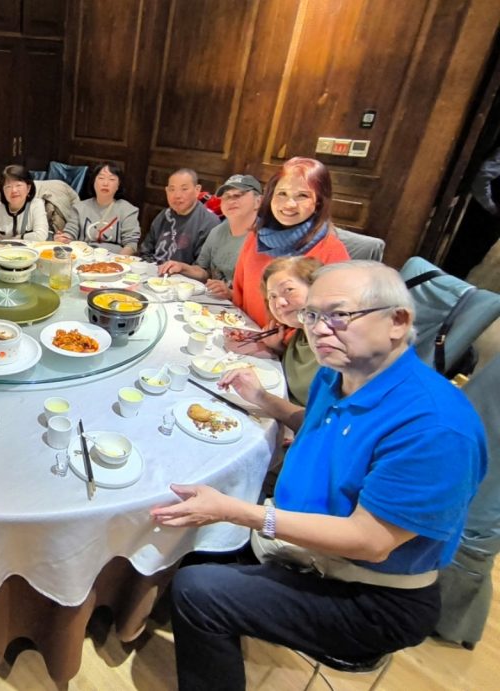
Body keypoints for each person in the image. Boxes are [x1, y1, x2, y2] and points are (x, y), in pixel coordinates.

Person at [151, 261, 487, 691]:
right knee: (198, 550)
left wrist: (240, 513)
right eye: (312, 315)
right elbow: (319, 423)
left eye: (340, 315)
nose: (319, 329)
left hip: (373, 593)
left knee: (197, 590)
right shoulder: (341, 374)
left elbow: (371, 541)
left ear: (397, 322)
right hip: (305, 548)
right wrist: (262, 398)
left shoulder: (436, 428)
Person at [232, 157, 350, 325]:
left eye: (302, 195)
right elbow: (239, 288)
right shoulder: (256, 234)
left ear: (318, 202)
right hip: (245, 333)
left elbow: (331, 319)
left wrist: (282, 343)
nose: (289, 204)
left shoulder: (332, 251)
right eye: (282, 193)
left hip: (289, 348)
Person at [224, 256, 322, 406]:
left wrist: (261, 396)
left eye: (289, 290)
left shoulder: (332, 346)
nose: (279, 303)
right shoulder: (301, 331)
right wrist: (279, 348)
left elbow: (322, 422)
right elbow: (294, 371)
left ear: (316, 286)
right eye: (272, 296)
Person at [158, 174, 261, 300]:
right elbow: (203, 271)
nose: (231, 201)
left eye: (238, 195)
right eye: (226, 196)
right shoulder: (217, 231)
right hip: (215, 305)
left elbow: (267, 298)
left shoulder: (266, 241)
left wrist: (231, 294)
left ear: (258, 201)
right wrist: (181, 267)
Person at [55, 161, 141, 255]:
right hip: (84, 257)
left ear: (118, 185)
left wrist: (117, 262)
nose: (105, 183)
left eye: (111, 179)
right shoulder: (79, 208)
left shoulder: (128, 210)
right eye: (101, 178)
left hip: (114, 260)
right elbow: (70, 233)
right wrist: (63, 238)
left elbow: (131, 244)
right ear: (93, 182)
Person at [139, 168, 220, 264]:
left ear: (197, 190)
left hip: (184, 277)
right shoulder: (165, 214)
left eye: (184, 189)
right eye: (172, 189)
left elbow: (202, 269)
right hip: (154, 272)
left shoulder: (209, 222)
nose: (177, 195)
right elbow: (145, 251)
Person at [0, 164, 49, 242]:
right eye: (8, 187)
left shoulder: (36, 205)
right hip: (2, 252)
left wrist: (12, 240)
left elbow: (40, 235)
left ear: (28, 188)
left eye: (18, 185)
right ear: (2, 191)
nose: (14, 190)